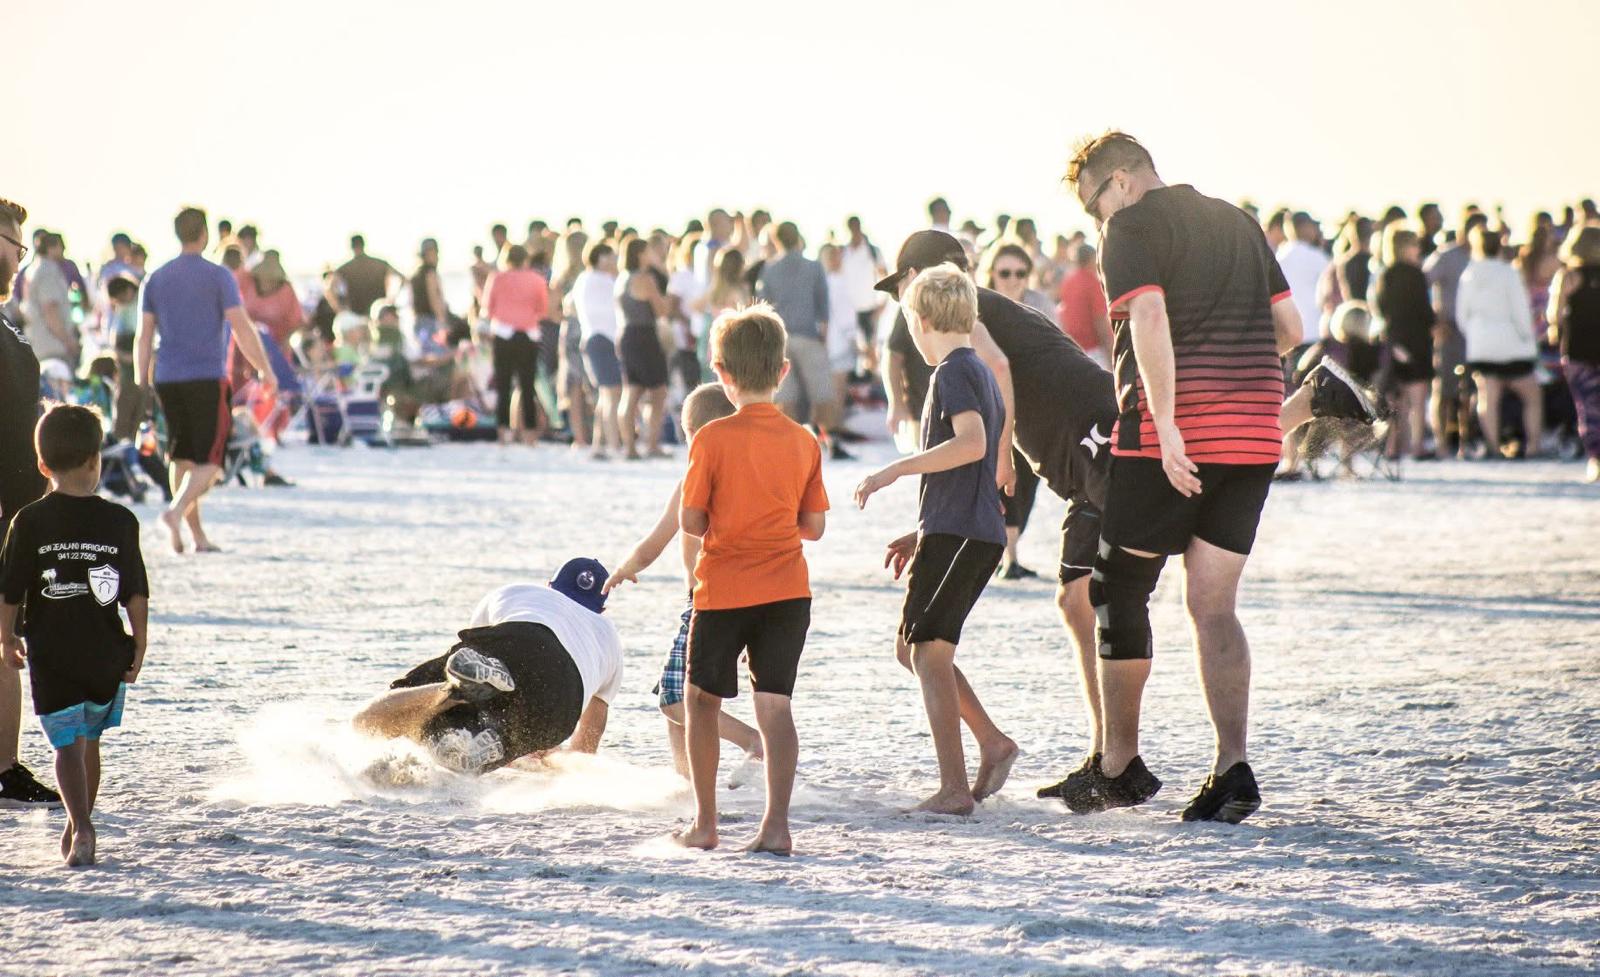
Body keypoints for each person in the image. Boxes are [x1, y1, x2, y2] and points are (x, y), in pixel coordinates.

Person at [876, 230, 1374, 812]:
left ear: (926, 274)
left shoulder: (967, 306)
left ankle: (1116, 759)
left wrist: (1005, 451)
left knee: (1136, 560)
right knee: (1081, 597)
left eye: (902, 285)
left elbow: (999, 365)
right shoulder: (983, 310)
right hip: (1083, 454)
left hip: (1092, 442)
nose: (901, 303)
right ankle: (1107, 754)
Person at [1062, 131, 1308, 822]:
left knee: (1118, 587)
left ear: (1120, 180)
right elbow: (1289, 326)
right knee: (1213, 607)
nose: (1095, 221)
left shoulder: (1132, 225)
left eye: (1092, 205)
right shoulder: (1238, 220)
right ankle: (1233, 767)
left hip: (1167, 438)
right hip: (1255, 434)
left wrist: (1168, 421)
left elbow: (1148, 313)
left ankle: (1118, 764)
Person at [855, 264, 1015, 816]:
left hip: (966, 534)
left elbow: (971, 446)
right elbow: (968, 471)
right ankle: (992, 743)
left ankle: (953, 789)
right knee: (916, 649)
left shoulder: (952, 372)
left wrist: (895, 470)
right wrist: (919, 531)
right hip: (957, 530)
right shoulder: (975, 369)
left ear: (919, 322)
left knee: (928, 654)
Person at [675, 303, 829, 855]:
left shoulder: (710, 439)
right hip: (788, 591)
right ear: (783, 370)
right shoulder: (804, 441)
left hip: (723, 590)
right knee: (775, 707)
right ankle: (776, 827)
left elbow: (691, 520)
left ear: (721, 372)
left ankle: (706, 823)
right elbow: (813, 527)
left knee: (700, 701)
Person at [1, 404, 149, 866]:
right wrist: (139, 644)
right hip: (106, 651)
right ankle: (77, 821)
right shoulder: (122, 521)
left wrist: (6, 638)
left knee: (67, 745)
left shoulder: (27, 521)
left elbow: (9, 590)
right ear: (95, 460)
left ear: (43, 466)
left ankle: (81, 824)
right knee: (90, 739)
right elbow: (136, 593)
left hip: (52, 653)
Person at [602, 383, 763, 777]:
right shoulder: (751, 479)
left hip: (710, 603)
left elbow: (654, 542)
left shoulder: (694, 480)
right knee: (674, 696)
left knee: (676, 699)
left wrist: (624, 568)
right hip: (741, 598)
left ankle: (754, 742)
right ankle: (687, 780)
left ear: (697, 435)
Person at [352, 561, 623, 774]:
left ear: (550, 585)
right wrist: (550, 753)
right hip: (564, 702)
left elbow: (469, 652)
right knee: (490, 741)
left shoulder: (522, 591)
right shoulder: (609, 637)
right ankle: (496, 739)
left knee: (367, 722)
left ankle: (455, 691)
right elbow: (586, 746)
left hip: (519, 641)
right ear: (602, 609)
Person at [135, 206, 278, 554]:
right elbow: (242, 327)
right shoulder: (218, 276)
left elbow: (144, 335)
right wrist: (265, 369)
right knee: (212, 463)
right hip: (206, 377)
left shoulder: (156, 277)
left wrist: (142, 381)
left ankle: (193, 537)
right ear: (205, 235)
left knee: (181, 457)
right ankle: (175, 511)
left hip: (167, 377)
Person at [0, 197, 62, 808]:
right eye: (11, 246)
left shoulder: (9, 331)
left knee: (5, 643)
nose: (18, 259)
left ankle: (5, 767)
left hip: (16, 514)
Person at [979, 243, 1049, 578]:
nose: (1012, 280)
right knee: (995, 480)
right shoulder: (978, 308)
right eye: (1004, 273)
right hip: (990, 406)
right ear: (991, 273)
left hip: (1034, 404)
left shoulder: (1040, 305)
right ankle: (1003, 556)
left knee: (1028, 481)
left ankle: (1009, 555)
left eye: (1020, 273)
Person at [756, 223, 844, 458]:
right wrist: (823, 337)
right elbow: (823, 305)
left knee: (786, 398)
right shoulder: (813, 267)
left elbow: (763, 305)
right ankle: (831, 443)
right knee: (823, 394)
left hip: (781, 338)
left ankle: (788, 447)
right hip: (808, 335)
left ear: (776, 241)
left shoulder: (770, 269)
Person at [1456, 225, 1541, 459]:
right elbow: (1521, 310)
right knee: (1531, 396)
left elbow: (1462, 315)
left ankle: (1493, 447)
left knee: (1488, 398)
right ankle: (1533, 446)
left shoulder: (1469, 275)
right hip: (1512, 343)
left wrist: (1474, 335)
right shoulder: (1509, 273)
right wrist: (1528, 338)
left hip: (1482, 344)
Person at [1375, 226, 1438, 460]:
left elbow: (1380, 308)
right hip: (1417, 339)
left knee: (1396, 397)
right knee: (1417, 396)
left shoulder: (1385, 274)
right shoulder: (1415, 274)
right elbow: (1424, 309)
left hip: (1394, 339)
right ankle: (1417, 445)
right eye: (1415, 245)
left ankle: (1393, 446)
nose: (1418, 249)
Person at [1547, 225, 1600, 482]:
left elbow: (1553, 314)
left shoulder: (1567, 276)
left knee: (1587, 406)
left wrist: (1554, 332)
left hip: (1578, 348)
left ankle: (1596, 458)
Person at [483, 244, 549, 445]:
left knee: (503, 386)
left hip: (503, 334)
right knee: (527, 386)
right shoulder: (537, 279)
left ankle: (503, 434)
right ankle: (529, 435)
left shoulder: (497, 278)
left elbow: (488, 308)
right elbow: (542, 309)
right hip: (528, 335)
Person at [615, 238, 672, 459]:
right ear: (640, 254)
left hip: (626, 335)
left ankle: (629, 446)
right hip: (644, 336)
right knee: (658, 392)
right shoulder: (644, 278)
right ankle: (652, 444)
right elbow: (661, 310)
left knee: (632, 391)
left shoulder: (622, 279)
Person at [574, 241, 623, 460]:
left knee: (606, 393)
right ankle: (613, 443)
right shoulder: (602, 280)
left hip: (593, 338)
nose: (614, 261)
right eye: (610, 256)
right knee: (612, 392)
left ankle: (599, 443)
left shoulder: (583, 279)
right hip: (604, 339)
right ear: (600, 258)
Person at [24, 232, 78, 373]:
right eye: (61, 247)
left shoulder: (33, 269)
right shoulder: (48, 270)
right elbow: (50, 309)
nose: (63, 252)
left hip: (39, 345)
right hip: (54, 348)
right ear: (51, 248)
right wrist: (68, 341)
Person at [1056, 242, 1114, 368]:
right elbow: (1100, 320)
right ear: (1092, 259)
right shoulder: (1092, 282)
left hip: (1073, 350)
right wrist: (1111, 355)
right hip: (1093, 351)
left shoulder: (1068, 281)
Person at [329, 235, 400, 325]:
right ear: (363, 245)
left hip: (357, 313)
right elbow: (400, 278)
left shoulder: (346, 267)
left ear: (351, 247)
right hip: (379, 313)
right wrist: (391, 299)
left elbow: (329, 287)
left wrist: (339, 309)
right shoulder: (379, 263)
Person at [841, 216, 887, 350]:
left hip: (870, 308)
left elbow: (884, 276)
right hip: (850, 310)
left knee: (873, 348)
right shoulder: (844, 252)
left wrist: (882, 305)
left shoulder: (872, 251)